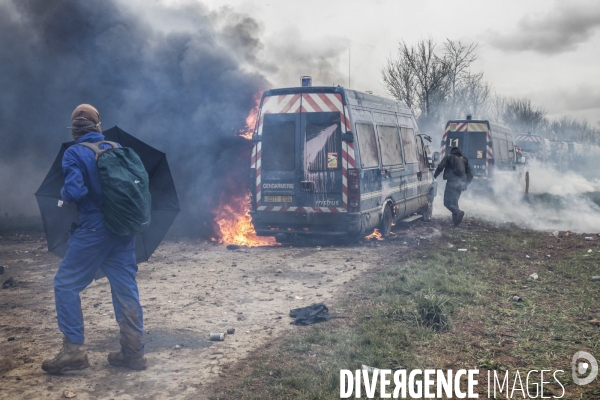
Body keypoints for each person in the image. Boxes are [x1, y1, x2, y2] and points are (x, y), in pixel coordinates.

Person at [42, 104, 146, 373]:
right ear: (99, 127)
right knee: (125, 287)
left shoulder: (74, 153)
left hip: (94, 229)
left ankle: (73, 351)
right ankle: (133, 353)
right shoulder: (116, 148)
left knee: (65, 284)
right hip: (123, 229)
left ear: (74, 131)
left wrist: (64, 194)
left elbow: (74, 193)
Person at [433, 146, 473, 226]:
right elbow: (470, 174)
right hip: (461, 184)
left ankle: (457, 212)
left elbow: (441, 166)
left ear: (452, 152)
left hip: (451, 183)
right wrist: (466, 184)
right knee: (454, 202)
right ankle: (456, 222)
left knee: (447, 202)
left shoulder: (449, 157)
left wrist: (435, 175)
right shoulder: (464, 159)